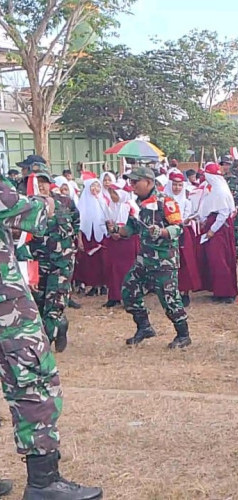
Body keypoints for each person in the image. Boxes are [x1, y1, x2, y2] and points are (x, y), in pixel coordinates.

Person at [0, 177, 102, 499]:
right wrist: (49, 201)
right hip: (6, 305)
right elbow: (32, 215)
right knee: (34, 379)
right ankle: (44, 483)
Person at [109, 167, 191, 349]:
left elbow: (178, 228)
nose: (132, 185)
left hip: (164, 261)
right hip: (144, 259)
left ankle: (183, 335)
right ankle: (144, 327)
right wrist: (116, 230)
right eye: (130, 182)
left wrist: (161, 231)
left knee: (170, 300)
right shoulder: (137, 205)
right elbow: (131, 229)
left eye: (135, 181)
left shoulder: (166, 202)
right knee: (128, 291)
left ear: (149, 182)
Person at [29, 166, 80, 352]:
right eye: (37, 183)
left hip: (62, 261)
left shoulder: (65, 202)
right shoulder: (27, 206)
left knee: (54, 303)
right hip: (36, 262)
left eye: (43, 182)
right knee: (38, 303)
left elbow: (76, 222)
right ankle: (61, 325)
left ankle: (43, 348)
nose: (41, 186)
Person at [198, 163, 238, 303]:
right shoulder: (214, 189)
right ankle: (218, 290)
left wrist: (212, 231)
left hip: (219, 229)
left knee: (220, 260)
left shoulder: (220, 191)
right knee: (215, 260)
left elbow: (223, 212)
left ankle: (226, 292)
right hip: (215, 225)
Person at [166, 171, 201, 308]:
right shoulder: (165, 201)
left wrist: (181, 222)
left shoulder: (187, 202)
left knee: (185, 262)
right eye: (174, 185)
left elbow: (186, 217)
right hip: (167, 234)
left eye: (180, 185)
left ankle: (185, 292)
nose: (177, 188)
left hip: (182, 233)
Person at [102, 180, 139, 308]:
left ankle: (129, 297)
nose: (112, 196)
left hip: (127, 242)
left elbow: (133, 226)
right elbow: (108, 221)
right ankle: (114, 296)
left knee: (126, 270)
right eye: (111, 192)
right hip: (114, 242)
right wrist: (111, 231)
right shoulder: (112, 205)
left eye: (115, 193)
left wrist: (120, 232)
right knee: (113, 269)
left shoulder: (130, 206)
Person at [74, 179, 108, 296]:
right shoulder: (83, 203)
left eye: (98, 186)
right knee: (90, 261)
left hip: (101, 235)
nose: (95, 189)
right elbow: (79, 223)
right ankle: (93, 285)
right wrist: (79, 239)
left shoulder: (102, 201)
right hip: (88, 236)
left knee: (102, 260)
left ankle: (103, 284)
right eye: (92, 186)